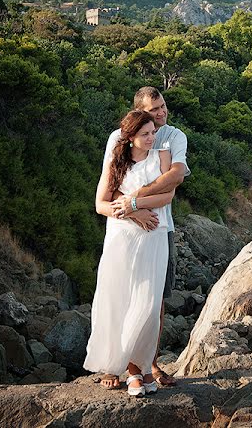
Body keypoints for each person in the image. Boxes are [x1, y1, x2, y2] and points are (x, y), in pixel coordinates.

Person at [100, 87, 190, 390]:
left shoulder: (174, 138)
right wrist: (131, 212)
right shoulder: (117, 139)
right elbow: (106, 195)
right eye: (153, 111)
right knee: (120, 295)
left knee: (155, 300)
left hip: (159, 230)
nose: (161, 114)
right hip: (124, 231)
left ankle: (149, 362)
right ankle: (119, 364)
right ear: (138, 114)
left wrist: (136, 200)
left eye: (163, 106)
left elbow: (175, 179)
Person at [84, 110, 175, 397]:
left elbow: (168, 195)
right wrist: (134, 214)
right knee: (119, 301)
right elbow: (101, 204)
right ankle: (134, 371)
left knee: (148, 305)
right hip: (121, 238)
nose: (152, 137)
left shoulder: (161, 155)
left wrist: (133, 204)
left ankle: (142, 366)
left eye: (153, 132)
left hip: (153, 238)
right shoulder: (117, 162)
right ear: (131, 137)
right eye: (145, 134)